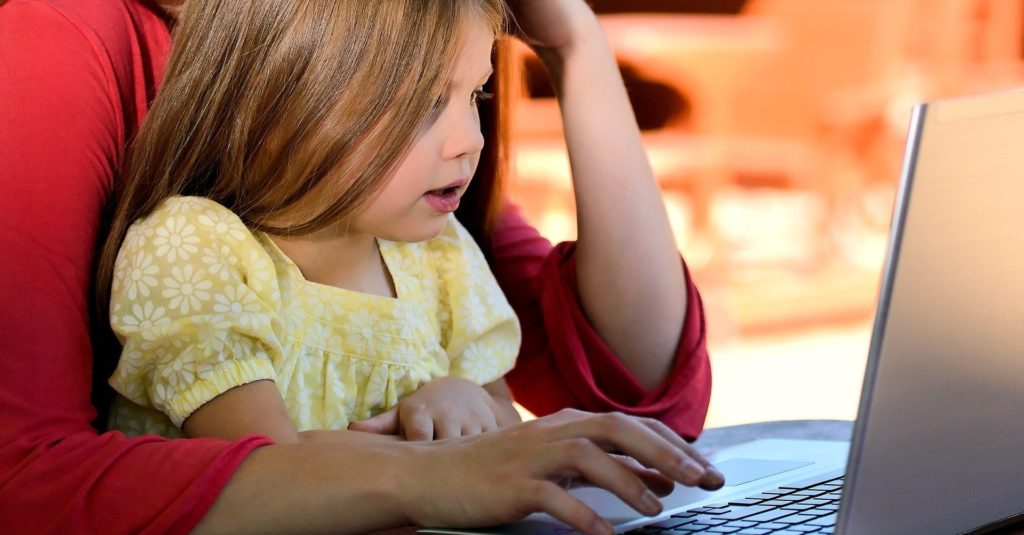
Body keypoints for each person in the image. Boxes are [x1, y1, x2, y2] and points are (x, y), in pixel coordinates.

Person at [0, 0, 718, 533]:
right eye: (424, 103)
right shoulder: (64, 44)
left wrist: (574, 42)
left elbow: (643, 395)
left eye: (477, 95)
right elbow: (22, 479)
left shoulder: (419, 228)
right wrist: (425, 472)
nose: (466, 138)